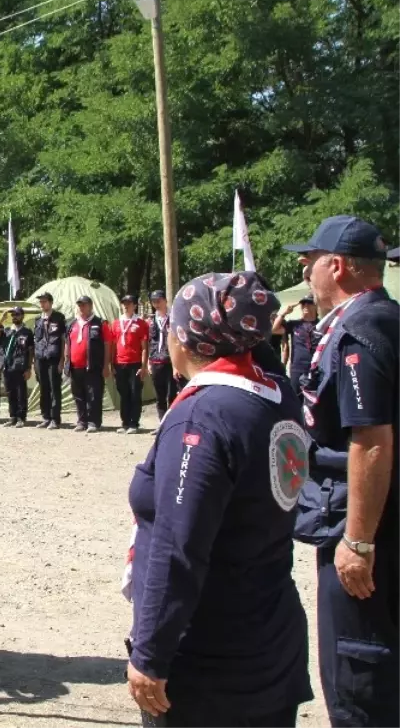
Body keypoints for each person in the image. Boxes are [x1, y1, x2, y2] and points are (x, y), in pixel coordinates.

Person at [126, 271, 313, 727]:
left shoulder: (202, 417)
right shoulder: (274, 392)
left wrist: (151, 653)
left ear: (189, 338)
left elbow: (178, 547)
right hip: (268, 632)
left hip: (213, 657)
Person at [284, 216, 400, 727]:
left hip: (366, 523)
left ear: (338, 266)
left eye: (311, 260)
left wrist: (358, 540)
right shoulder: (385, 317)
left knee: (358, 670)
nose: (305, 269)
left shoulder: (360, 330)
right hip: (376, 517)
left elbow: (370, 440)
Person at [65, 295, 113, 433]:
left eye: (84, 305)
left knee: (94, 395)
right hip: (75, 367)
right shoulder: (72, 324)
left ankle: (94, 422)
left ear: (91, 306)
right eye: (79, 305)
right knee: (78, 395)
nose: (81, 307)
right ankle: (82, 421)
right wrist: (66, 360)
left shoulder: (100, 323)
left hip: (93, 366)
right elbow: (67, 342)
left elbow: (107, 344)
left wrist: (106, 365)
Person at [113, 294, 150, 435]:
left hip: (135, 363)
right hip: (119, 363)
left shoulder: (140, 323)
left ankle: (134, 423)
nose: (126, 305)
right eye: (124, 303)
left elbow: (145, 347)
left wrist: (144, 366)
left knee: (135, 393)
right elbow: (113, 345)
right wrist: (111, 364)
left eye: (129, 303)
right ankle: (125, 422)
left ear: (135, 306)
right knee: (124, 394)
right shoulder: (116, 323)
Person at [33, 292, 67, 429]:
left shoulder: (59, 317)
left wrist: (62, 360)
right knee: (44, 388)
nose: (42, 304)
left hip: (54, 358)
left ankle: (55, 418)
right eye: (41, 301)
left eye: (45, 301)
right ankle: (46, 417)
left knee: (54, 388)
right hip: (41, 358)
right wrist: (34, 361)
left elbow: (64, 340)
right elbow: (37, 340)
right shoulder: (37, 320)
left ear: (51, 302)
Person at [273, 295, 319, 394]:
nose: (305, 306)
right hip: (297, 369)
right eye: (303, 304)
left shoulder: (322, 324)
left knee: (317, 399)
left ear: (315, 305)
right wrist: (283, 313)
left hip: (316, 368)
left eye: (309, 303)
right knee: (296, 398)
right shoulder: (294, 324)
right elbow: (274, 330)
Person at [0, 306, 34, 427]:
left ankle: (21, 418)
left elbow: (30, 351)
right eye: (13, 315)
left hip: (20, 367)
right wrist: (2, 318)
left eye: (17, 314)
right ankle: (12, 416)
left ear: (22, 316)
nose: (14, 317)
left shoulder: (27, 332)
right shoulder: (7, 331)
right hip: (7, 366)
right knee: (10, 392)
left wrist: (29, 368)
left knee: (20, 393)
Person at [147, 290, 177, 429]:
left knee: (172, 394)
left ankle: (172, 422)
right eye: (154, 302)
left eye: (159, 301)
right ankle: (162, 423)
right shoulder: (151, 321)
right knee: (160, 395)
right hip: (155, 361)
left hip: (171, 362)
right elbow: (148, 342)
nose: (156, 304)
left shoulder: (174, 318)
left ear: (165, 300)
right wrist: (148, 361)